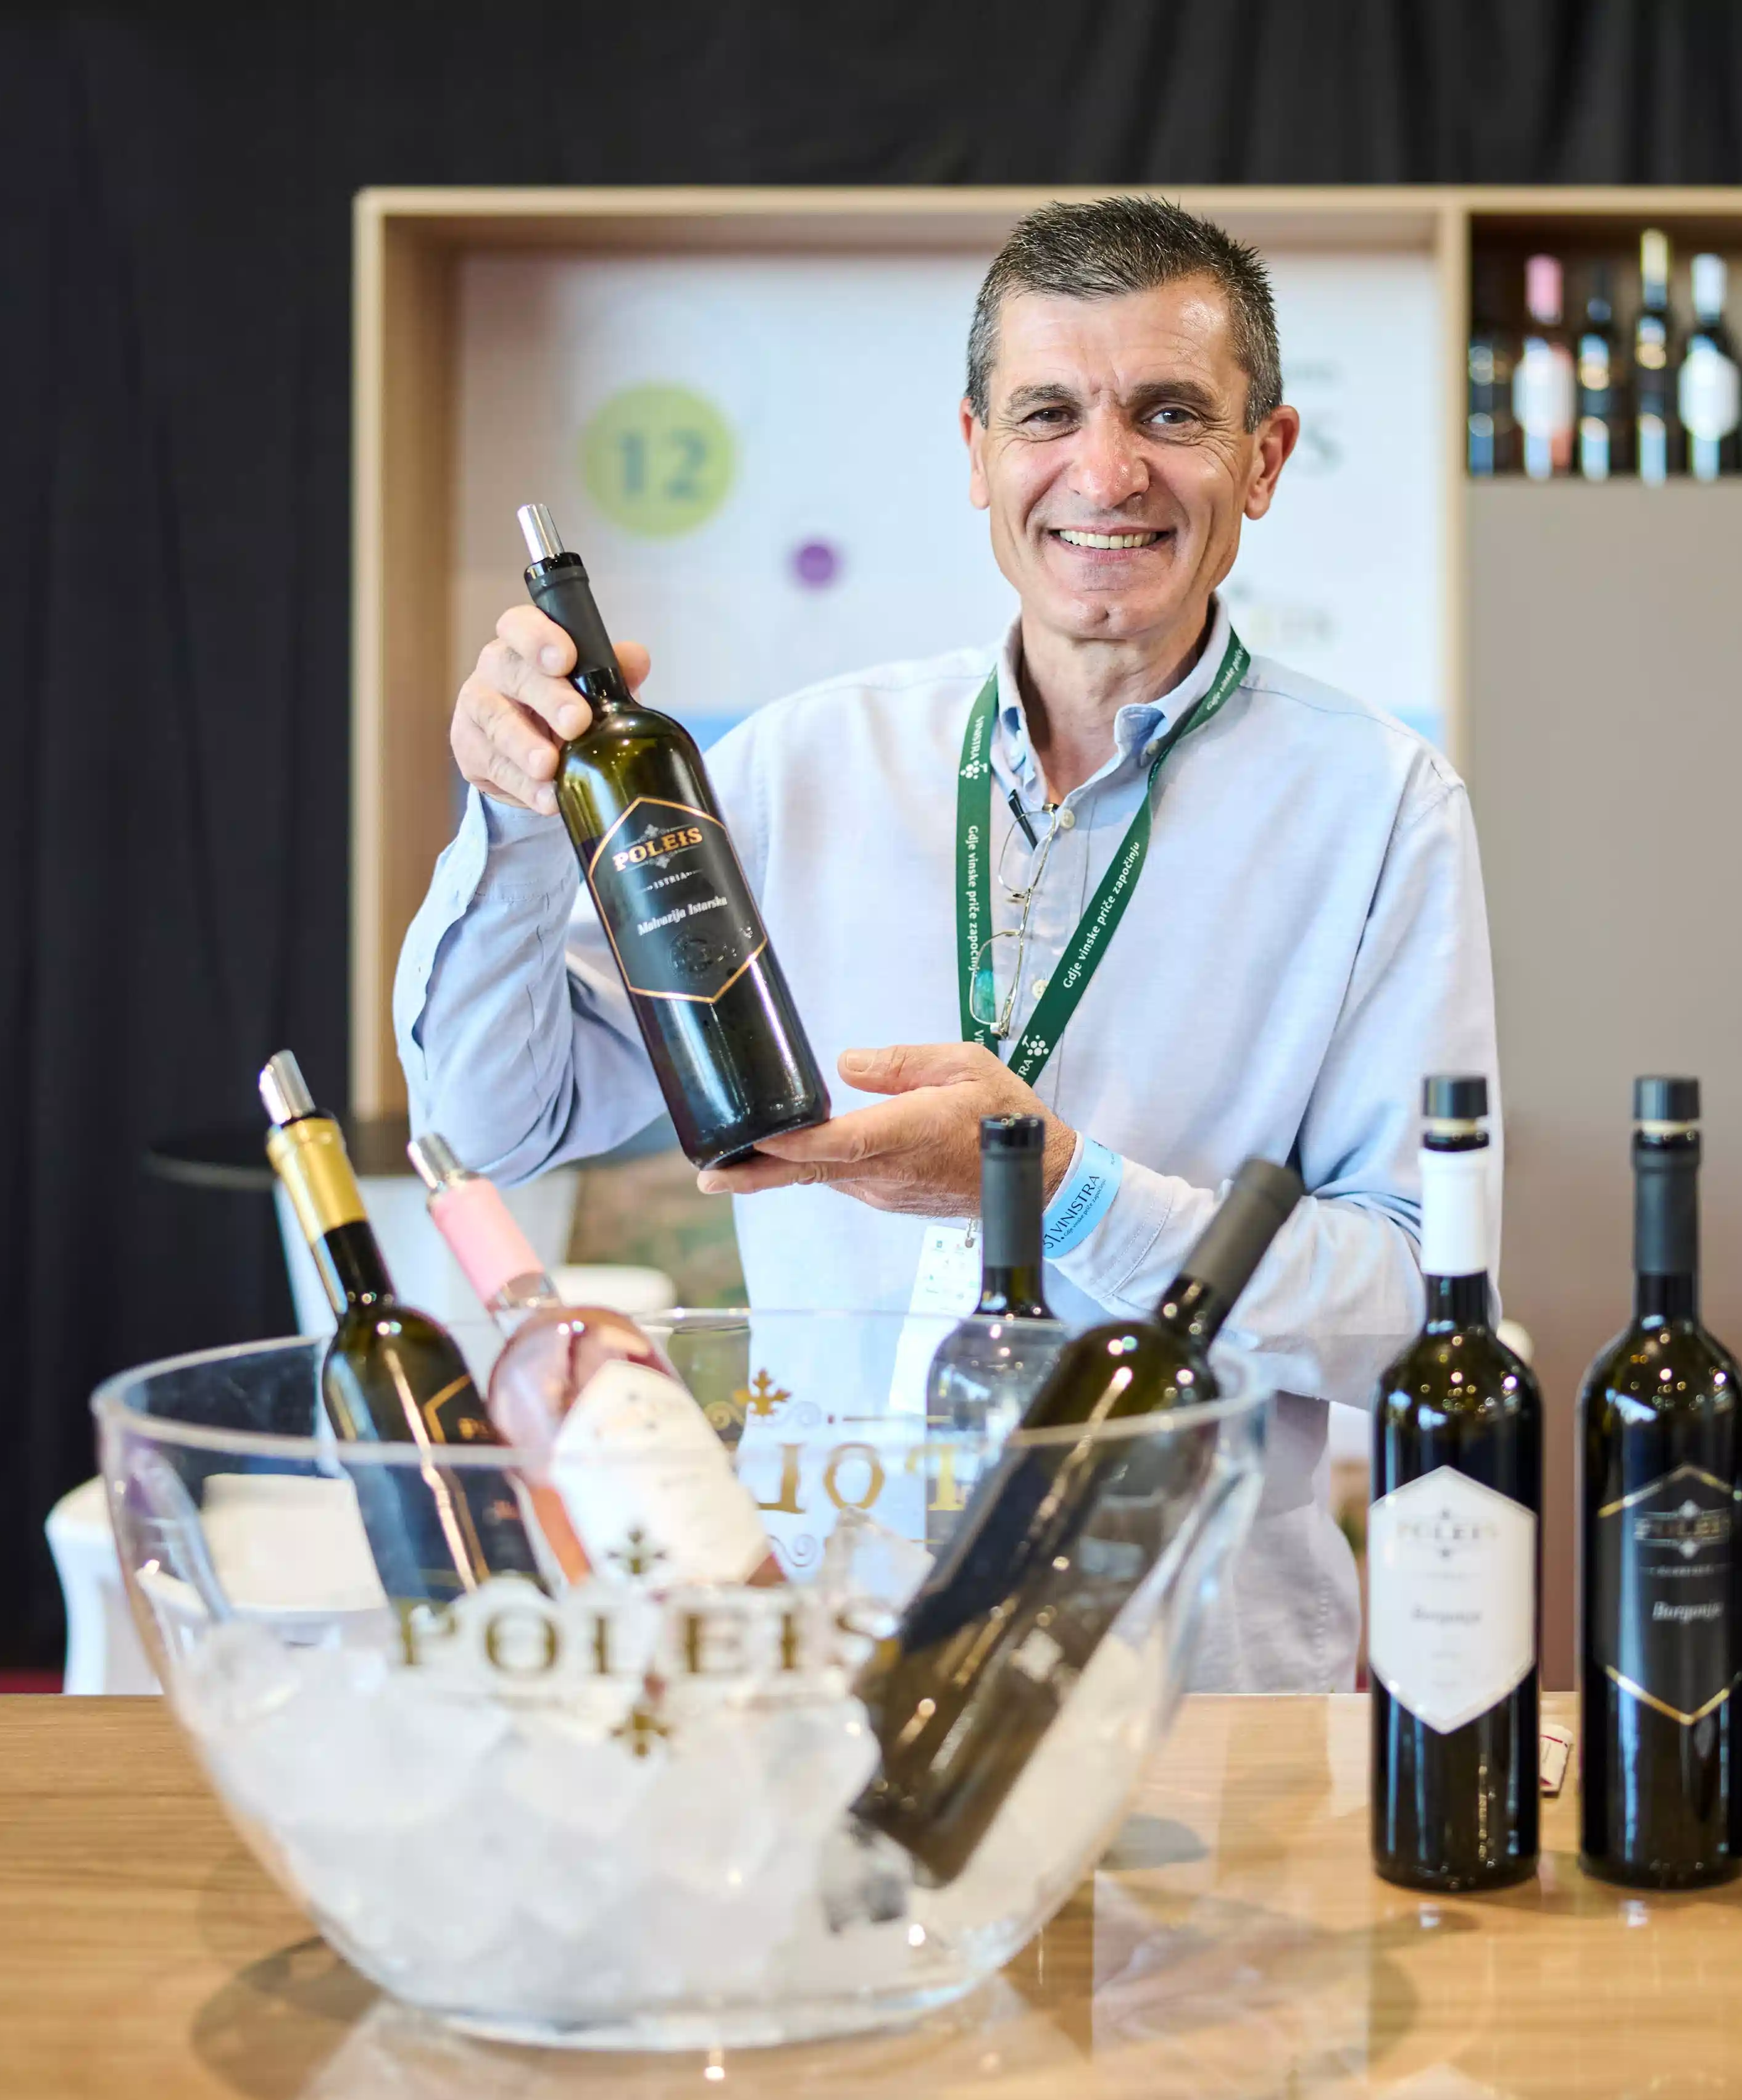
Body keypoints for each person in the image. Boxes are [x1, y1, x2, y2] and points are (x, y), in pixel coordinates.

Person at [396, 196, 1499, 1691]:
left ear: (1265, 456)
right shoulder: (792, 769)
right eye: (1047, 413)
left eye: (1169, 412)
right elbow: (492, 1123)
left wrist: (1067, 1194)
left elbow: (1415, 1317)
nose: (1103, 471)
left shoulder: (1377, 808)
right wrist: (521, 817)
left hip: (1183, 1681)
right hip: (812, 1669)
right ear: (976, 453)